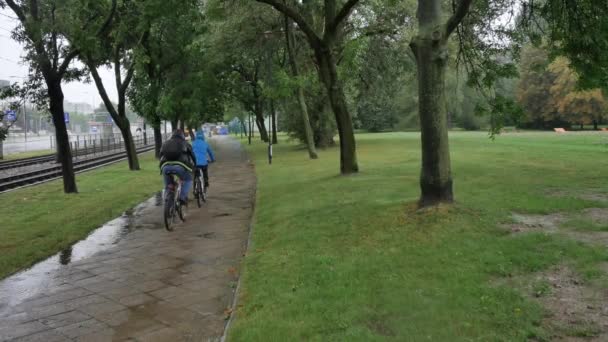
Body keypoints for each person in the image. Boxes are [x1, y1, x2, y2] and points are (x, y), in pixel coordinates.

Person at [159, 129, 196, 205]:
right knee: (188, 180)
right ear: (182, 136)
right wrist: (195, 165)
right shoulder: (185, 143)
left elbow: (160, 155)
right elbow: (192, 155)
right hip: (180, 166)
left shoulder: (165, 143)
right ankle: (182, 198)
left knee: (168, 185)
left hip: (165, 167)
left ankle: (167, 201)